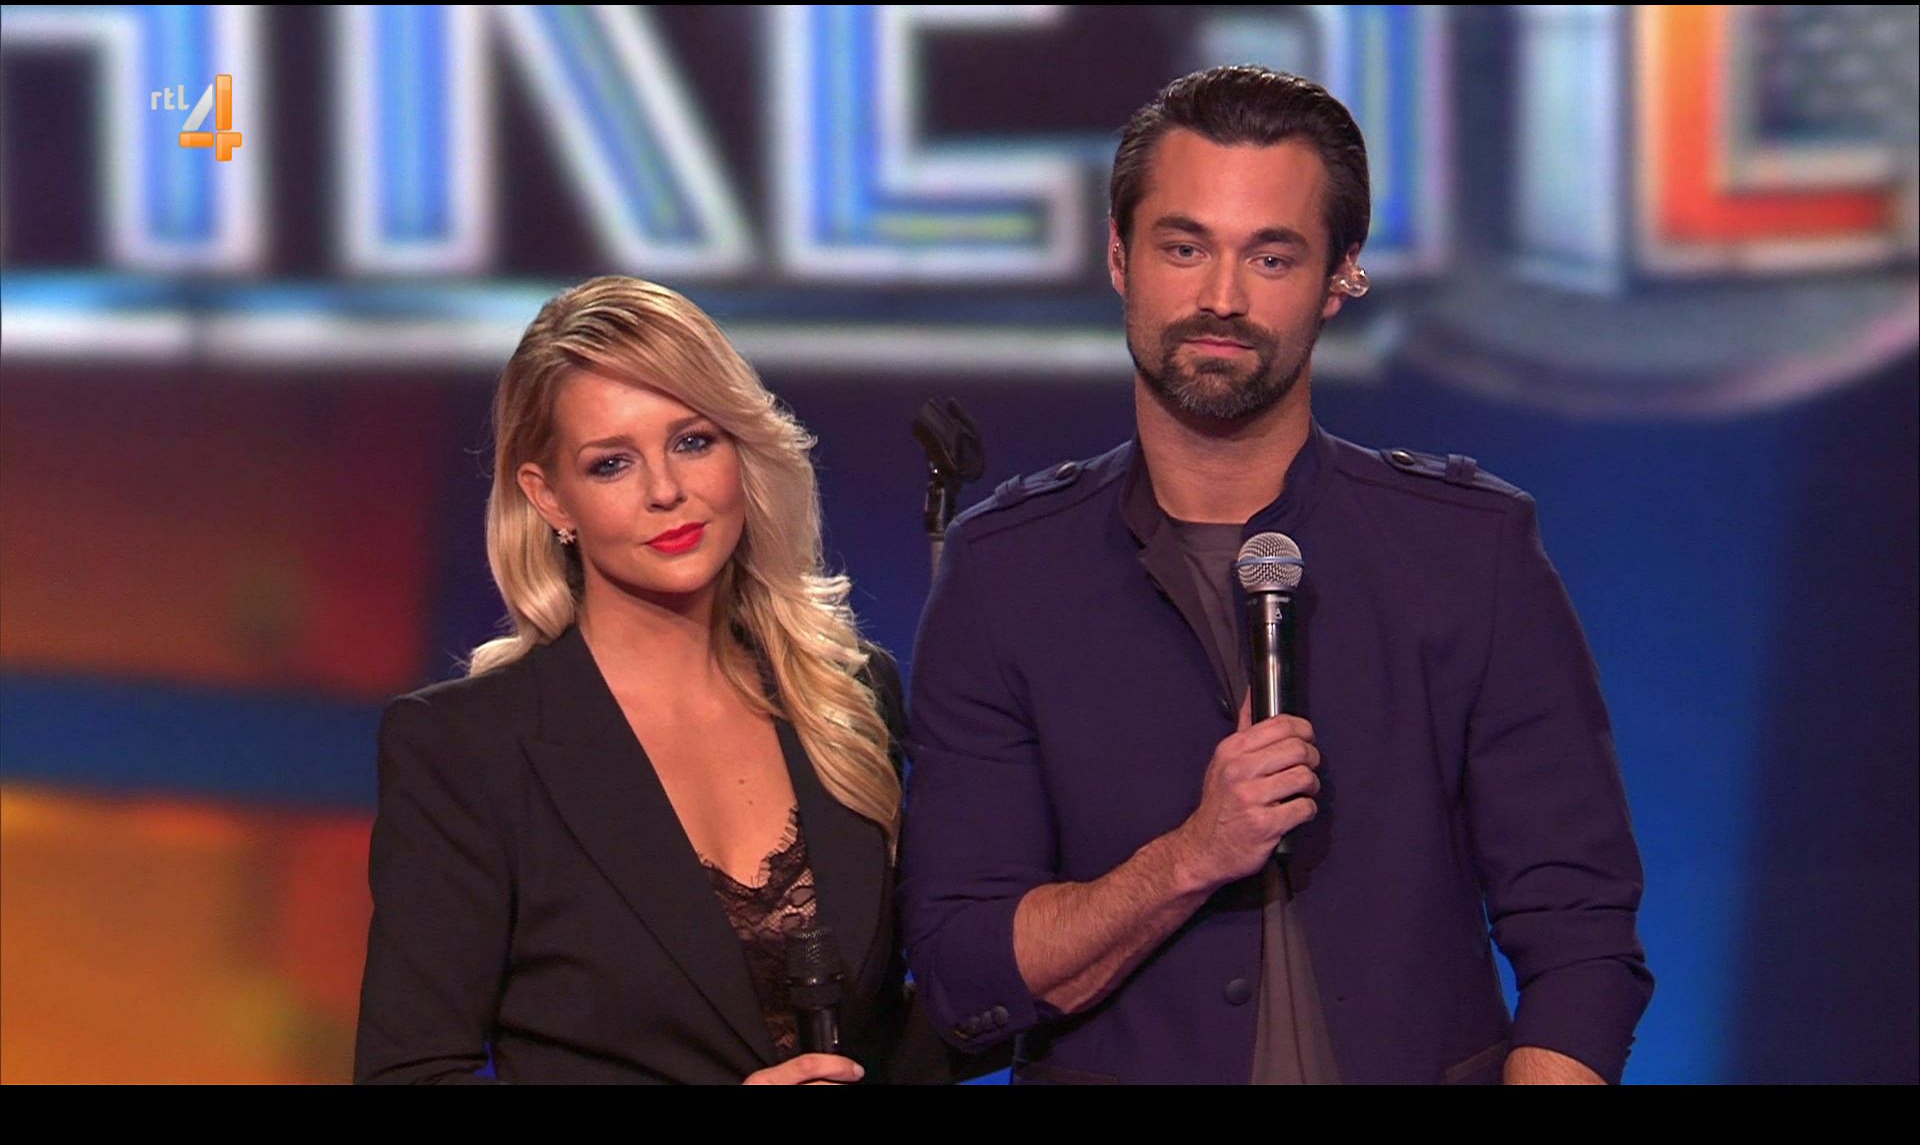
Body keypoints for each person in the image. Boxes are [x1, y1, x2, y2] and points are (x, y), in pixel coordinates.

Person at [898, 67, 1653, 1085]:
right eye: (1184, 248)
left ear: (1341, 277)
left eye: (1271, 255)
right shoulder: (1006, 573)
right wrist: (1190, 858)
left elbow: (1580, 930)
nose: (1221, 297)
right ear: (1119, 258)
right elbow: (966, 970)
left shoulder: (1468, 551)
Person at [355, 276, 939, 1084]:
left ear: (743, 447)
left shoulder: (850, 695)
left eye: (693, 441)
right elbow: (411, 1072)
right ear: (550, 498)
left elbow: (907, 1026)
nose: (666, 491)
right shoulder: (467, 748)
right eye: (612, 464)